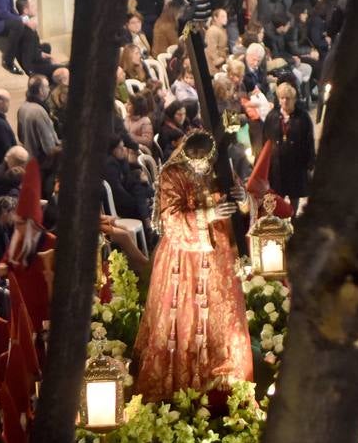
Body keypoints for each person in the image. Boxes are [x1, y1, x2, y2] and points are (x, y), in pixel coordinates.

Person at [133, 131, 253, 400]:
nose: (201, 168)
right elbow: (170, 220)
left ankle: (223, 382)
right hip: (182, 262)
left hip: (218, 257)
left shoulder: (219, 169)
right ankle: (178, 386)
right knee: (183, 319)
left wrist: (244, 200)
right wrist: (208, 214)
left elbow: (241, 205)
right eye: (196, 163)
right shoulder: (172, 174)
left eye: (205, 164)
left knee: (221, 320)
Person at [259, 82, 314, 211]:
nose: (284, 101)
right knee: (277, 199)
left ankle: (293, 221)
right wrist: (263, 163)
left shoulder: (303, 117)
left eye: (288, 98)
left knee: (294, 198)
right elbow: (265, 141)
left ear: (294, 99)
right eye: (282, 98)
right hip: (278, 166)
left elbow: (308, 140)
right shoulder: (272, 117)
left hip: (296, 164)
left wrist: (310, 161)